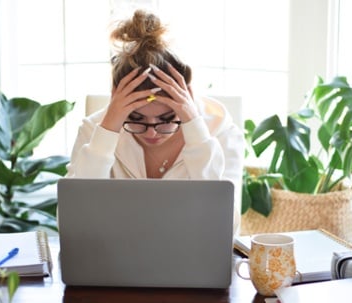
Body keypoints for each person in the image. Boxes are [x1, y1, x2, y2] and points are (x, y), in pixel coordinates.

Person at [66, 10, 244, 231]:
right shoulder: (96, 130)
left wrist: (195, 130)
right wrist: (108, 130)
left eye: (167, 119)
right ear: (116, 98)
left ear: (187, 97)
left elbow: (227, 227)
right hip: (114, 260)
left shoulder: (221, 132)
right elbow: (74, 222)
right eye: (136, 119)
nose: (152, 133)